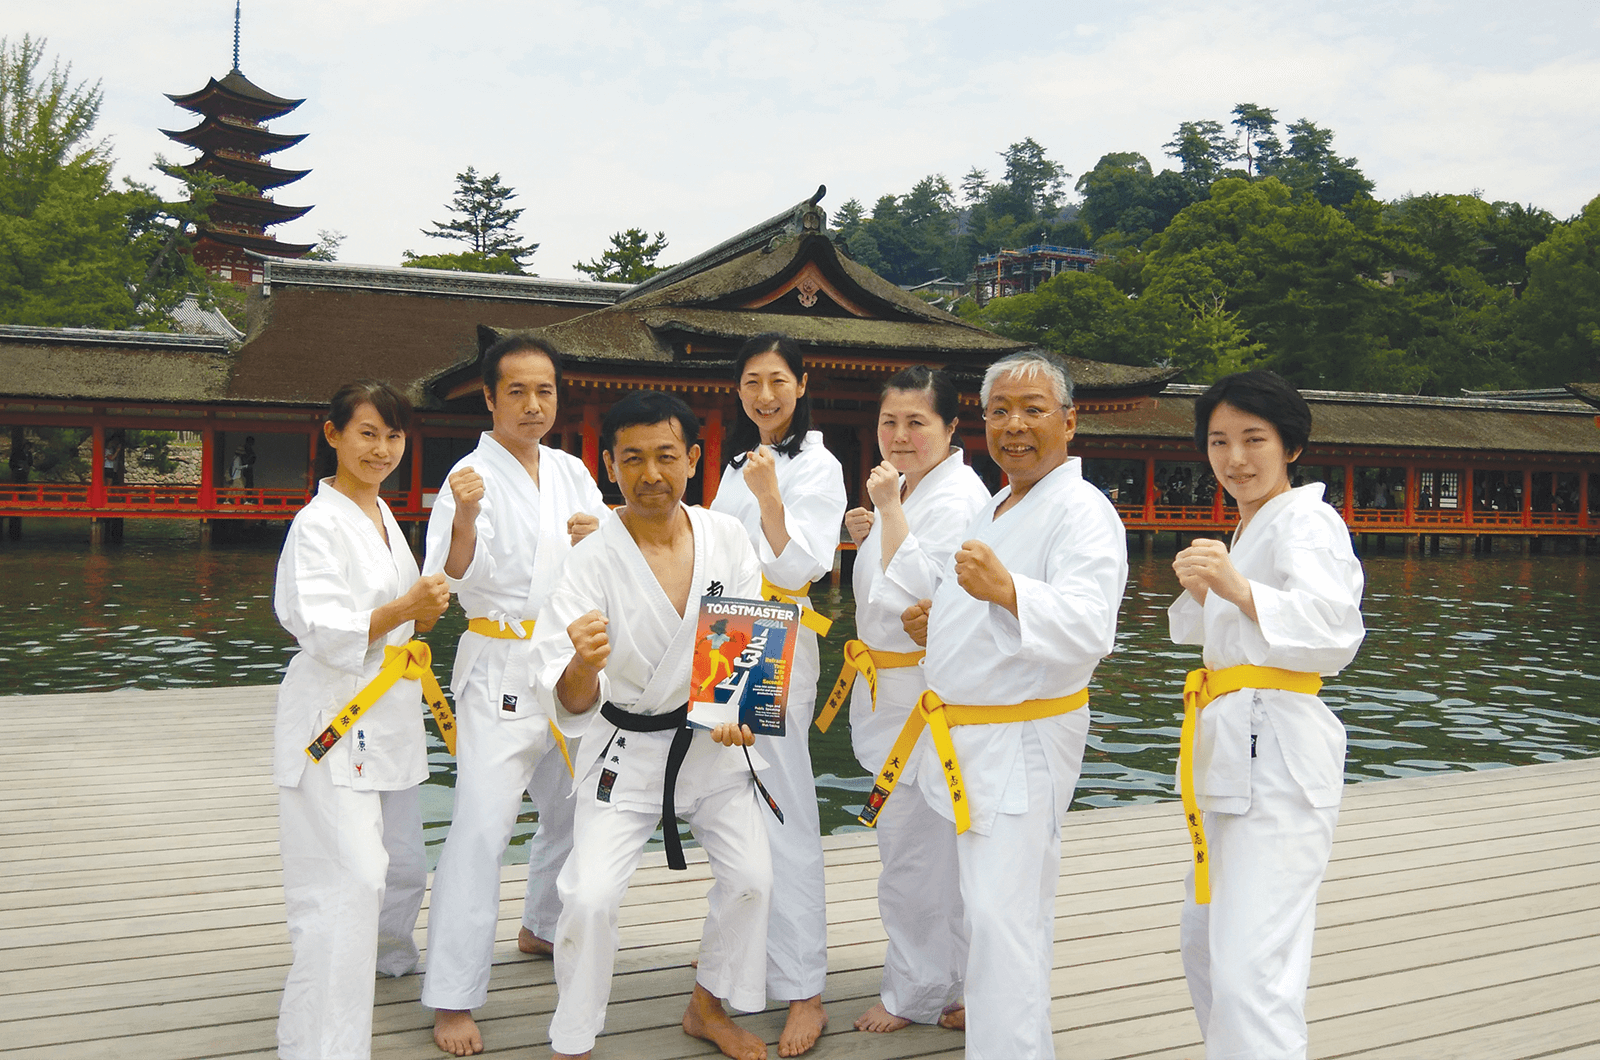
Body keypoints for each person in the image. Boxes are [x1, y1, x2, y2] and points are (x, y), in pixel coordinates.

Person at [891, 348, 1127, 1058]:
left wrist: (1007, 593)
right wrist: (944, 624)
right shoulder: (1003, 503)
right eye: (1000, 412)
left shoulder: (1084, 512)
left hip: (1021, 742)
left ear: (1070, 421)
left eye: (1033, 410)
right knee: (992, 911)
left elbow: (1090, 625)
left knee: (1004, 918)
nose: (1014, 426)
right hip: (972, 737)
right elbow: (990, 610)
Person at [529, 391, 774, 1060]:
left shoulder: (726, 536)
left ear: (693, 459)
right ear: (610, 465)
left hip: (710, 748)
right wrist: (582, 661)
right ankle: (574, 1037)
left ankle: (709, 1005)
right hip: (626, 750)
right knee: (587, 896)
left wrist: (738, 712)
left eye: (667, 456)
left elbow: (745, 643)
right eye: (633, 459)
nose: (651, 474)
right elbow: (573, 697)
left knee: (754, 877)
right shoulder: (590, 560)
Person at [420, 335, 608, 1056]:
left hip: (567, 660)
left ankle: (538, 923)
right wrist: (464, 518)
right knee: (480, 827)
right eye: (518, 392)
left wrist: (603, 530)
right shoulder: (469, 473)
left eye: (546, 392)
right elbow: (449, 578)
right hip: (499, 661)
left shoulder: (570, 470)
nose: (533, 405)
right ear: (491, 398)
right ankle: (452, 994)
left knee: (574, 809)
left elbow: (601, 558)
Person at [1168, 370, 1365, 1060]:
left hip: (1278, 749)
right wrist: (1210, 584)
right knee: (1208, 941)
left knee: (1254, 964)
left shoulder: (1308, 519)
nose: (1236, 458)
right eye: (1219, 441)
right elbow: (1208, 631)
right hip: (1230, 746)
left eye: (1255, 439)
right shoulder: (1251, 524)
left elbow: (1336, 629)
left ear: (1292, 446)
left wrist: (1237, 586)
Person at [271, 380, 451, 1060]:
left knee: (402, 865)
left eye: (393, 436)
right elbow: (321, 627)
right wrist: (407, 607)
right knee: (348, 883)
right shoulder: (317, 525)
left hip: (391, 715)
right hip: (334, 719)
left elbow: (404, 614)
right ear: (334, 435)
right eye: (368, 433)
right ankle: (319, 1045)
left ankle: (387, 960)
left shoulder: (380, 517)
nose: (381, 448)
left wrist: (417, 609)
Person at [833, 365, 989, 1035]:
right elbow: (887, 577)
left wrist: (891, 512)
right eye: (888, 422)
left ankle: (914, 992)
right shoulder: (919, 490)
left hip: (925, 698)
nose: (899, 435)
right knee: (933, 851)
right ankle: (955, 984)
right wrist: (873, 526)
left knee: (914, 852)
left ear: (951, 429)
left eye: (916, 422)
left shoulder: (951, 497)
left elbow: (921, 591)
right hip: (893, 693)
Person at [707, 332, 846, 1057]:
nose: (766, 394)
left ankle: (804, 989)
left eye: (778, 381)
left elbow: (804, 567)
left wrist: (769, 499)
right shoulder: (737, 463)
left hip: (774, 638)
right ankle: (735, 977)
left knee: (782, 806)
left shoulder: (817, 466)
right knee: (731, 805)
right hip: (725, 636)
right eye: (753, 381)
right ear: (739, 390)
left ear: (801, 384)